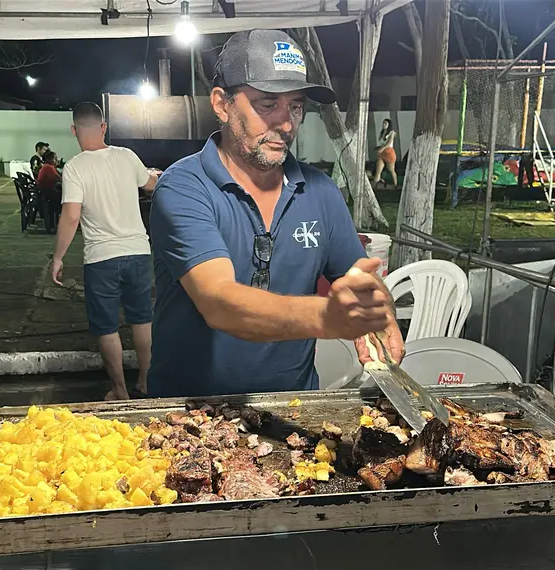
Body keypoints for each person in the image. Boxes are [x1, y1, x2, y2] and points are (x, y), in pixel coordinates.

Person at [148, 29, 404, 398]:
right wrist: (326, 317)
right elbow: (219, 301)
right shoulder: (185, 187)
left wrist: (377, 310)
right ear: (222, 104)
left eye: (295, 106)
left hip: (294, 408)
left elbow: (359, 276)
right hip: (191, 411)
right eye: (267, 104)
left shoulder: (320, 191)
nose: (286, 124)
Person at [51, 102, 158, 401]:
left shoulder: (74, 167)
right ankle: (147, 382)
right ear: (104, 127)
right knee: (142, 320)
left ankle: (120, 390)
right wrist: (154, 174)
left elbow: (71, 216)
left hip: (101, 258)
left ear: (74, 130)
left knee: (106, 326)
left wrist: (58, 257)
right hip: (138, 251)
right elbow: (151, 184)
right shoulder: (126, 156)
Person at [36, 150, 62, 233]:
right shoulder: (49, 167)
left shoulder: (46, 167)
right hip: (46, 193)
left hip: (44, 191)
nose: (57, 160)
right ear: (51, 159)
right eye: (55, 158)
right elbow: (58, 179)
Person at [374, 119, 397, 188]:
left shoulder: (391, 132)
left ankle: (395, 185)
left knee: (391, 170)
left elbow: (389, 142)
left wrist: (382, 148)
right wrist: (379, 148)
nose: (384, 125)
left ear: (389, 124)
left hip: (389, 152)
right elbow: (381, 142)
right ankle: (374, 186)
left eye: (385, 123)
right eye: (383, 123)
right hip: (382, 153)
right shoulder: (382, 132)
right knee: (378, 170)